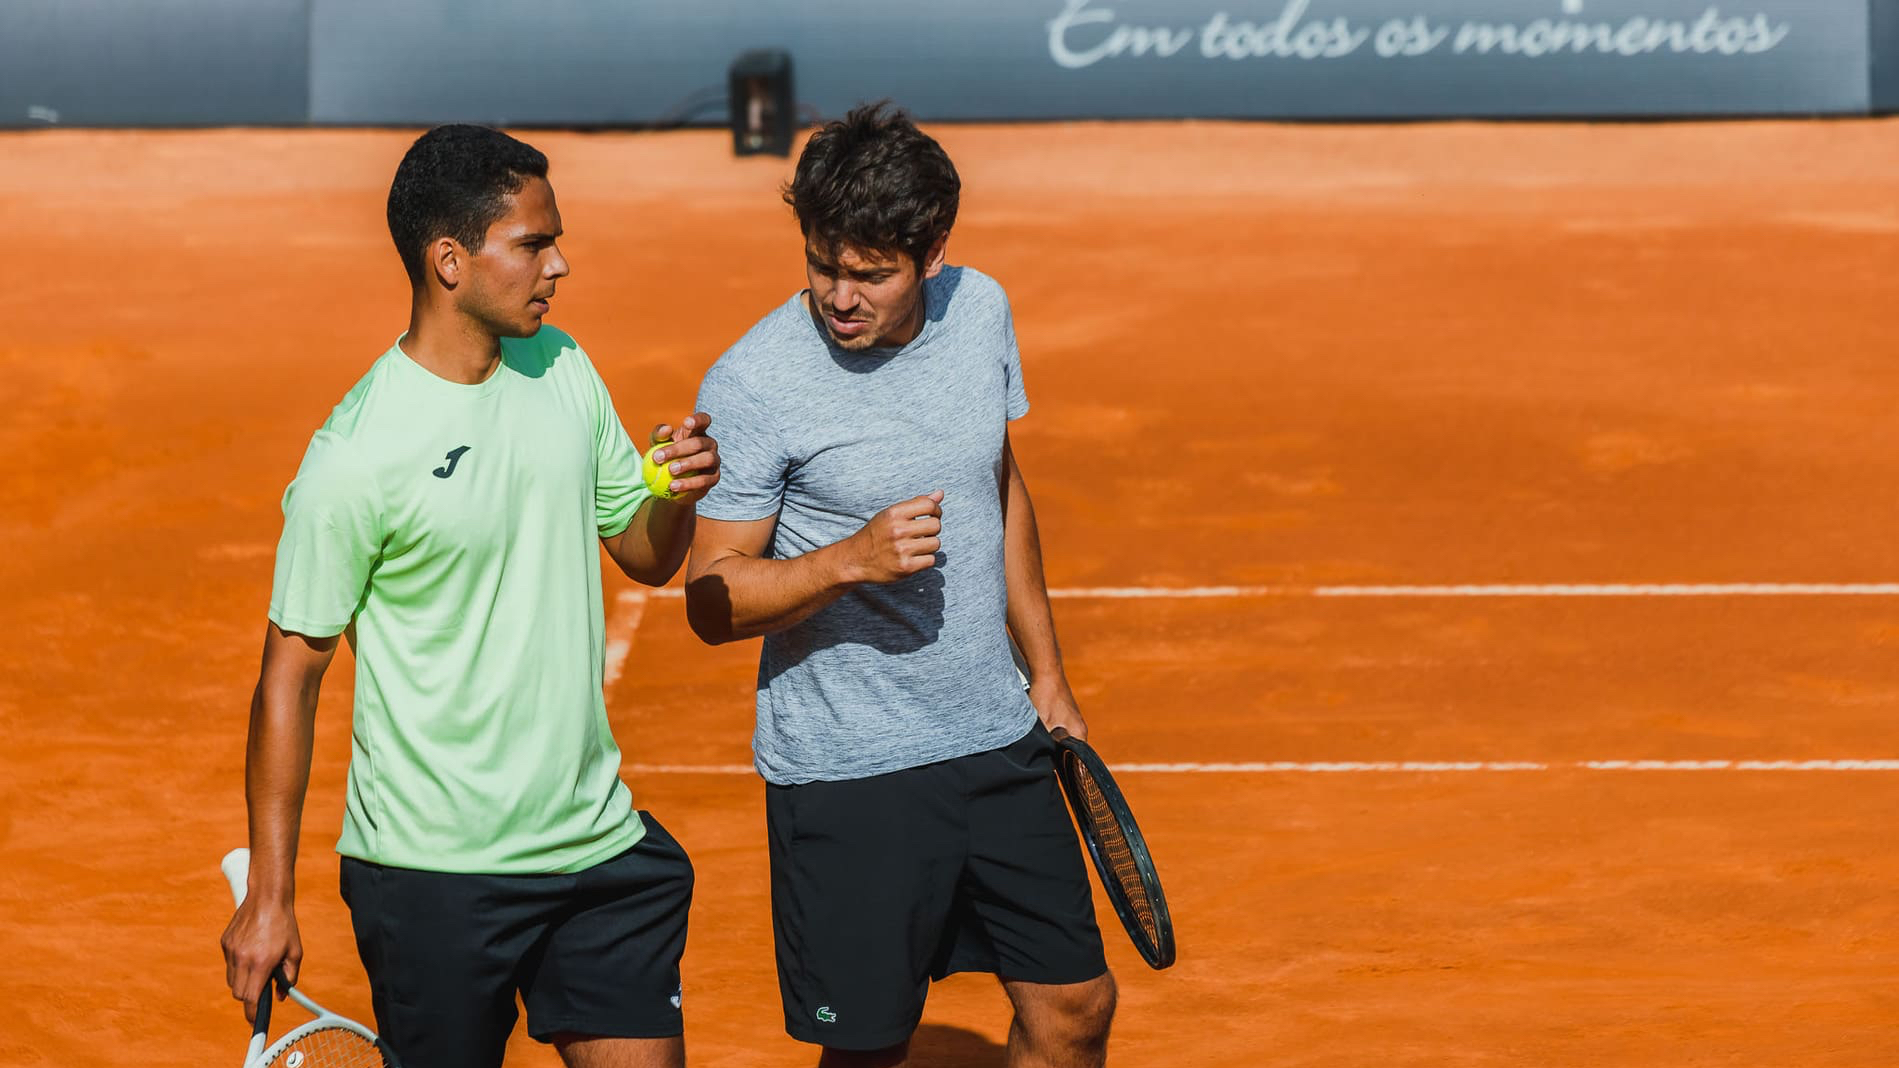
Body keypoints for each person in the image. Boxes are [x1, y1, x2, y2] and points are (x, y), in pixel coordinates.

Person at [219, 124, 720, 1068]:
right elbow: (289, 678)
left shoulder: (561, 366)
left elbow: (646, 559)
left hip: (594, 848)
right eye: (533, 243)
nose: (558, 264)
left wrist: (674, 494)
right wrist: (271, 897)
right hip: (431, 874)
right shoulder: (355, 459)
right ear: (448, 260)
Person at [684, 102, 1116, 1068]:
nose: (841, 294)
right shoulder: (754, 384)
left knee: (1075, 1009)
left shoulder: (981, 314)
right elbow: (708, 598)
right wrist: (849, 560)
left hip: (994, 738)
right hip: (849, 774)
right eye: (822, 263)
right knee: (869, 1050)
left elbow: (996, 486)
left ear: (930, 253)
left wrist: (1046, 675)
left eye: (870, 273)